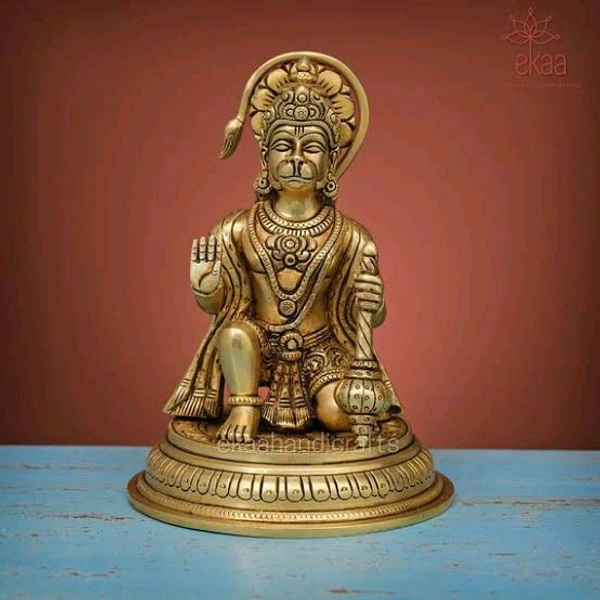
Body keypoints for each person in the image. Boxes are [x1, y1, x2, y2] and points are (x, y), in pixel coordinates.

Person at [164, 54, 400, 443]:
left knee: (340, 414)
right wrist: (206, 289)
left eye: (311, 147)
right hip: (256, 345)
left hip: (321, 350)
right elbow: (223, 305)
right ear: (264, 157)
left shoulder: (351, 236)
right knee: (234, 334)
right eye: (283, 146)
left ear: (330, 162)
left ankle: (324, 403)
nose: (296, 159)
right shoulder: (237, 228)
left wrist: (376, 303)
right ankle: (244, 406)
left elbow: (366, 318)